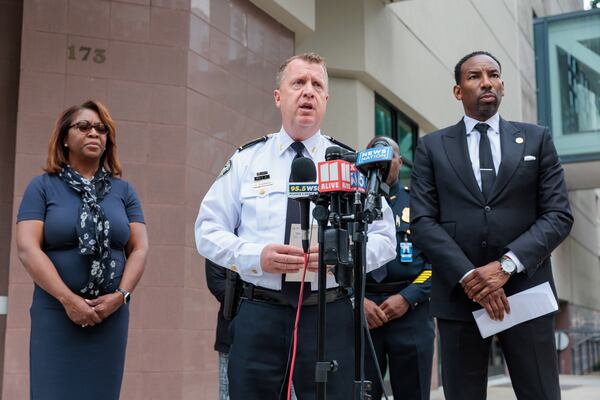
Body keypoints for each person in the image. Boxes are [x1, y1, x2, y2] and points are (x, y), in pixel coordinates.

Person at [195, 52, 396, 400]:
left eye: (317, 85)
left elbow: (384, 238)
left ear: (326, 100)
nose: (308, 92)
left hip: (328, 313)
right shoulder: (246, 160)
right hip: (260, 311)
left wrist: (343, 256)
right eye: (298, 83)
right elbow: (208, 230)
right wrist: (256, 256)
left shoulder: (349, 164)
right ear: (278, 96)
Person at [410, 51, 573, 400]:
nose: (486, 82)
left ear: (502, 85)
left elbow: (558, 215)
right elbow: (423, 222)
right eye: (474, 76)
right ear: (458, 91)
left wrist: (505, 267)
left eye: (493, 74)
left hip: (526, 292)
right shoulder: (431, 147)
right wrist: (471, 278)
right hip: (459, 298)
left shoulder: (536, 139)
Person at [16, 100, 148, 400]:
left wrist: (121, 296)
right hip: (56, 314)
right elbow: (27, 248)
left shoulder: (123, 191)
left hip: (110, 315)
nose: (94, 133)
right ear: (64, 137)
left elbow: (139, 248)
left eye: (102, 130)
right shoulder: (42, 187)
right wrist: (68, 299)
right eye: (84, 126)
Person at [363, 137, 434, 400]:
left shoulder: (418, 205)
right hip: (364, 312)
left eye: (387, 156)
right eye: (374, 157)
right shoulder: (352, 205)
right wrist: (358, 301)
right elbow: (337, 262)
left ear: (399, 162)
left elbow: (435, 264)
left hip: (410, 313)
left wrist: (408, 297)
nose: (380, 163)